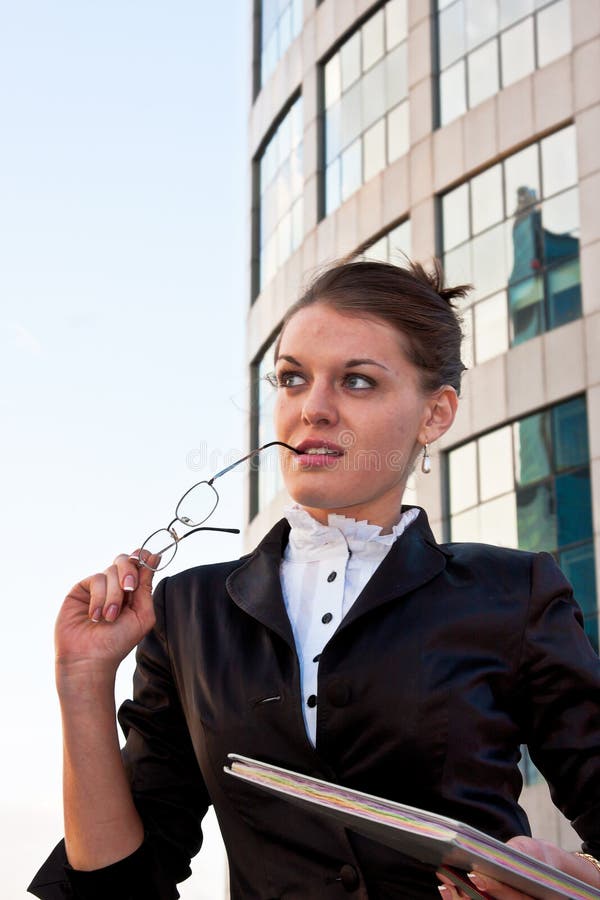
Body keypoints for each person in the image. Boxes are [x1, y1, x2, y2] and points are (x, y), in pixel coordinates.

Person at [29, 259, 600, 899]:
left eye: (357, 381)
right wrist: (82, 683)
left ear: (435, 415)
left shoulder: (513, 593)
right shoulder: (189, 611)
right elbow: (121, 885)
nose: (313, 410)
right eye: (293, 379)